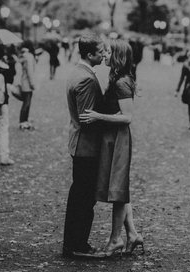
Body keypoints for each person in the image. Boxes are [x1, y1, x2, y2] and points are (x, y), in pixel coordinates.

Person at [80, 39, 143, 258]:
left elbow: (127, 117)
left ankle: (116, 239)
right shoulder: (116, 78)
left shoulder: (121, 82)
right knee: (118, 188)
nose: (105, 54)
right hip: (111, 138)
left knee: (117, 189)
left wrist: (98, 116)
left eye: (109, 51)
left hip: (118, 138)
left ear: (118, 56)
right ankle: (132, 234)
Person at [62, 34, 106, 259]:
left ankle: (73, 242)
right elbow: (87, 118)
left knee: (79, 194)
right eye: (101, 51)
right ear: (90, 54)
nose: (104, 54)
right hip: (87, 147)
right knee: (84, 198)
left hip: (79, 143)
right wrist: (110, 120)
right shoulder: (86, 78)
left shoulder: (77, 72)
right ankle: (77, 244)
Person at [17, 40, 37, 130]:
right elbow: (30, 72)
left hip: (24, 81)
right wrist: (32, 83)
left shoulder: (24, 55)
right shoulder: (29, 56)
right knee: (27, 103)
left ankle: (24, 121)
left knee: (26, 103)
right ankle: (23, 122)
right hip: (27, 83)